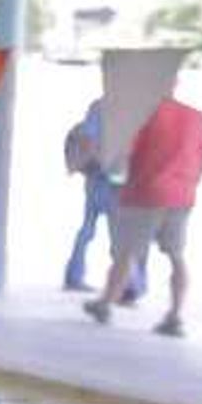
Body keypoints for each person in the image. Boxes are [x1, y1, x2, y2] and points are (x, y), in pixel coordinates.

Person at [86, 87, 202, 337]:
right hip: (182, 194)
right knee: (176, 255)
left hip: (146, 192)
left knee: (126, 253)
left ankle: (105, 304)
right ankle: (175, 315)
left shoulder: (141, 115)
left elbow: (121, 154)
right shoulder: (196, 117)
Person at [61, 95, 147, 304]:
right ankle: (130, 286)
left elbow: (88, 138)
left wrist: (78, 163)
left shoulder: (99, 105)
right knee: (120, 234)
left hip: (96, 175)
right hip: (116, 179)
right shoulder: (135, 105)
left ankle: (74, 275)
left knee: (88, 228)